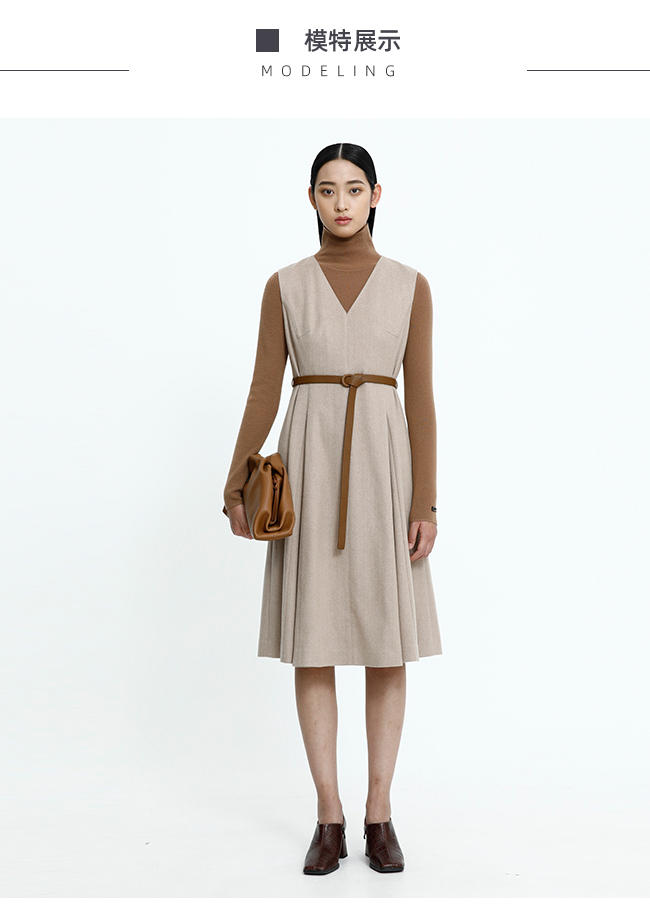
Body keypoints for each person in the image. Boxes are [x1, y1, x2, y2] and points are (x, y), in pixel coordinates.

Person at [222, 142, 442, 875]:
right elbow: (264, 387)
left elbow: (421, 399)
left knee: (386, 642)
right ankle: (328, 814)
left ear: (377, 194)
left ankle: (379, 812)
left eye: (353, 188)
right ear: (311, 198)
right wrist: (235, 482)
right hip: (310, 464)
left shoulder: (411, 286)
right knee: (313, 640)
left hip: (384, 470)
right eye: (327, 189)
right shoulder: (285, 286)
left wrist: (425, 501)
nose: (341, 202)